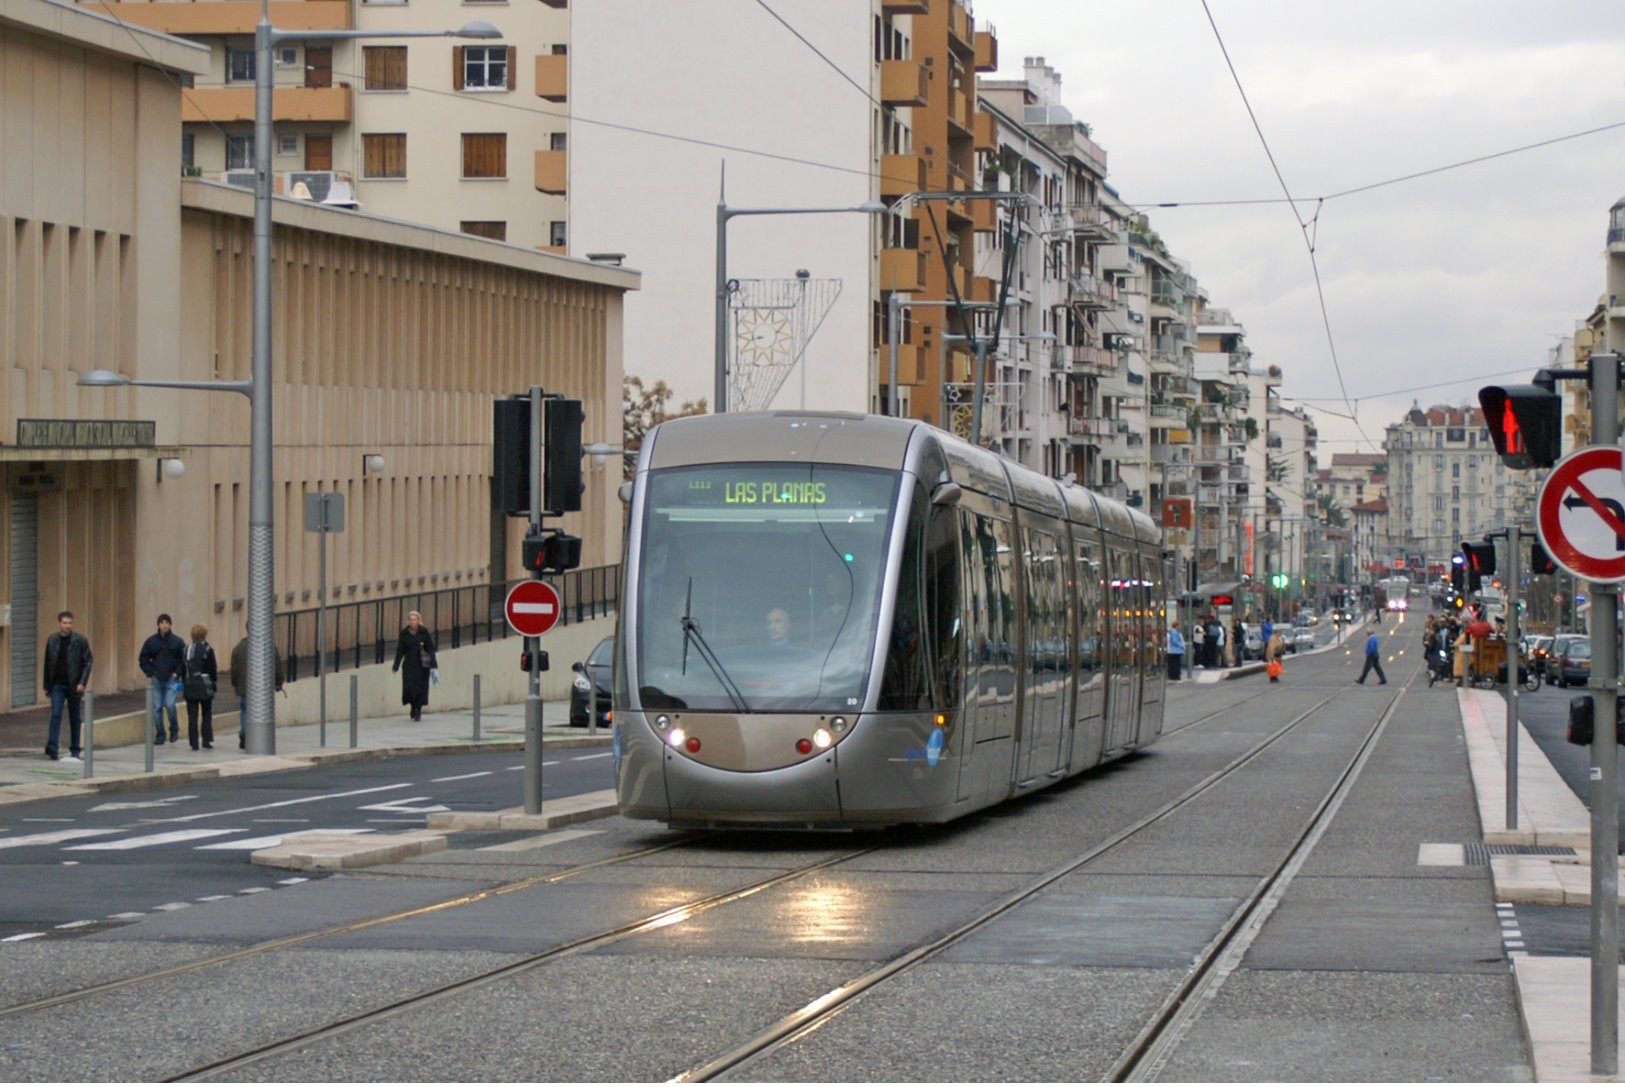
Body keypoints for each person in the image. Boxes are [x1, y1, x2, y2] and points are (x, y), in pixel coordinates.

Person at [41, 610, 92, 762]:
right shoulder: (52, 640)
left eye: (69, 623)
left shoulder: (80, 641)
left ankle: (75, 749)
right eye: (64, 623)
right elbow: (47, 664)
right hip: (57, 684)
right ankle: (52, 747)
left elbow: (88, 661)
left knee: (74, 718)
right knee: (56, 714)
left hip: (74, 684)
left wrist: (82, 682)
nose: (67, 626)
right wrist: (46, 685)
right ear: (59, 623)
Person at [230, 635, 286, 749]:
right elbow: (277, 665)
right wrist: (278, 682)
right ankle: (259, 735)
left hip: (244, 686)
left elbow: (234, 669)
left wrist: (235, 683)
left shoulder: (238, 647)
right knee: (262, 710)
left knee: (245, 710)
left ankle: (245, 732)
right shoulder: (269, 645)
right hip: (263, 686)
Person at [138, 613, 186, 745]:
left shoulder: (177, 641)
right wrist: (150, 672)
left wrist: (177, 673)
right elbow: (143, 658)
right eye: (162, 622)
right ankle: (160, 734)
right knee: (157, 708)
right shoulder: (151, 641)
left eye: (167, 622)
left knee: (170, 705)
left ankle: (174, 730)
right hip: (157, 678)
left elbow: (183, 660)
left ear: (170, 624)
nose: (164, 625)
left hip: (172, 678)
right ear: (158, 625)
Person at [392, 610, 438, 721]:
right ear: (409, 621)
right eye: (411, 620)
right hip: (409, 664)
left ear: (418, 620)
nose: (413, 622)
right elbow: (400, 650)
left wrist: (433, 664)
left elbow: (430, 648)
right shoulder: (404, 633)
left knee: (420, 688)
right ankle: (412, 706)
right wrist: (396, 665)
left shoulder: (424, 632)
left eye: (415, 619)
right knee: (409, 688)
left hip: (422, 664)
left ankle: (418, 709)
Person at [182, 623, 219, 751]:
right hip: (204, 685)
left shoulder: (186, 649)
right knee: (206, 713)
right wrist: (214, 681)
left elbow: (183, 668)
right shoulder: (208, 650)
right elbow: (212, 669)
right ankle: (206, 740)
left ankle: (193, 742)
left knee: (192, 715)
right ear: (204, 635)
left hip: (190, 685)